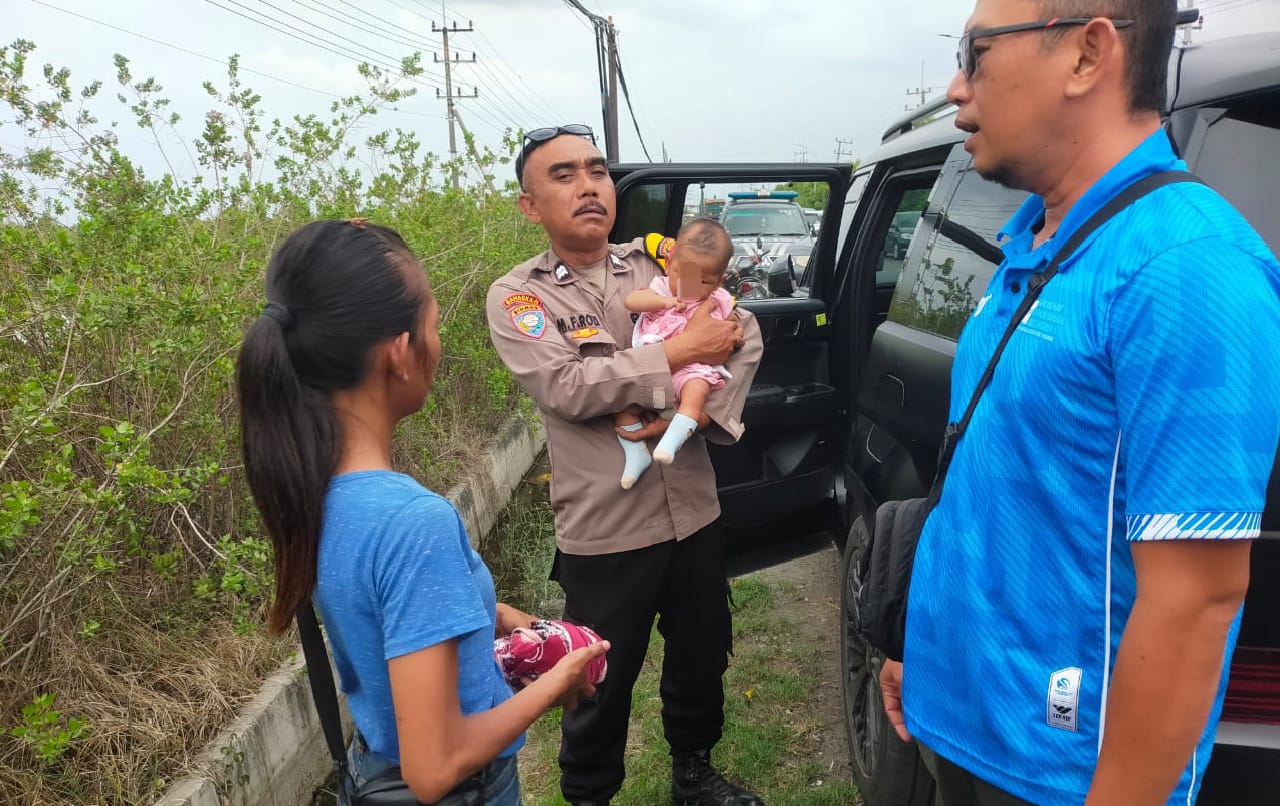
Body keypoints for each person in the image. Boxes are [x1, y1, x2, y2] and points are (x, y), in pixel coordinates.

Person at [879, 2, 1280, 805]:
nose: (956, 87)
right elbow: (994, 484)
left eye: (977, 53)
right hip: (966, 724)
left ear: (1088, 54)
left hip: (1062, 775)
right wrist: (921, 645)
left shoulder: (1186, 265)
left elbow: (1197, 599)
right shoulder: (1037, 239)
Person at [236, 218, 609, 806]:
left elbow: (386, 624)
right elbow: (434, 768)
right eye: (433, 327)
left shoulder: (320, 491)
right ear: (400, 355)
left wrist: (495, 614)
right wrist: (560, 679)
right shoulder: (414, 522)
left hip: (371, 769)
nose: (440, 344)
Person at [486, 125, 766, 806]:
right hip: (607, 529)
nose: (588, 186)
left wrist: (690, 416)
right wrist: (676, 356)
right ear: (529, 205)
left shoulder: (654, 263)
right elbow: (566, 388)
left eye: (597, 170)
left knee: (702, 656)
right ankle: (588, 795)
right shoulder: (520, 297)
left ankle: (693, 773)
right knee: (595, 679)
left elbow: (743, 330)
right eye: (563, 175)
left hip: (692, 509)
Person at [615, 219, 737, 488]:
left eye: (702, 280)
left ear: (719, 281)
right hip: (653, 369)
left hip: (691, 369)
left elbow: (733, 329)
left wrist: (733, 332)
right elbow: (631, 301)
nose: (689, 285)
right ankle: (636, 455)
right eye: (683, 274)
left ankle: (671, 441)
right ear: (669, 264)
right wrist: (664, 301)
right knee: (625, 405)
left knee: (697, 390)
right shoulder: (661, 288)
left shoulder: (717, 299)